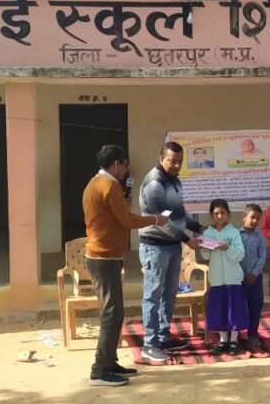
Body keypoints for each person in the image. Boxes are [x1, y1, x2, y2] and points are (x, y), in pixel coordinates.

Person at [81, 144, 167, 386]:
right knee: (112, 313)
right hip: (103, 258)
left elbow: (114, 216)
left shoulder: (95, 183)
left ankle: (110, 363)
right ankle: (99, 371)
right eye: (125, 166)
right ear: (117, 163)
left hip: (104, 256)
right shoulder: (108, 186)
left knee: (115, 312)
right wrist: (156, 219)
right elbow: (128, 220)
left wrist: (123, 202)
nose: (126, 171)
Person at [138, 142, 205, 363]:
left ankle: (163, 336)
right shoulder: (154, 183)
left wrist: (199, 228)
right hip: (155, 246)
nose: (176, 165)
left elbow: (179, 214)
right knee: (153, 295)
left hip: (172, 246)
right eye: (172, 161)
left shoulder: (175, 180)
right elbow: (162, 221)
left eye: (179, 162)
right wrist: (187, 239)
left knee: (169, 293)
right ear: (161, 159)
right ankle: (150, 343)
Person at [200, 199, 247, 356]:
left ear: (228, 214)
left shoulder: (234, 233)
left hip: (233, 278)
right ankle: (222, 340)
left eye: (223, 213)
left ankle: (234, 340)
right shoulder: (208, 233)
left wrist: (227, 248)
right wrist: (204, 246)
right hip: (216, 278)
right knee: (219, 309)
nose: (219, 216)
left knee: (234, 310)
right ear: (211, 215)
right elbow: (205, 255)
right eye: (216, 213)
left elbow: (240, 255)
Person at [239, 204, 267, 354]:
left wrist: (254, 274)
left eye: (258, 218)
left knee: (256, 305)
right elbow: (234, 256)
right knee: (238, 306)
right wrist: (241, 274)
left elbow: (262, 257)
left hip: (255, 279)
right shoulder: (236, 236)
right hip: (239, 279)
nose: (255, 221)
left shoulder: (260, 238)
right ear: (244, 217)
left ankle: (253, 334)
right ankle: (235, 334)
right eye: (252, 217)